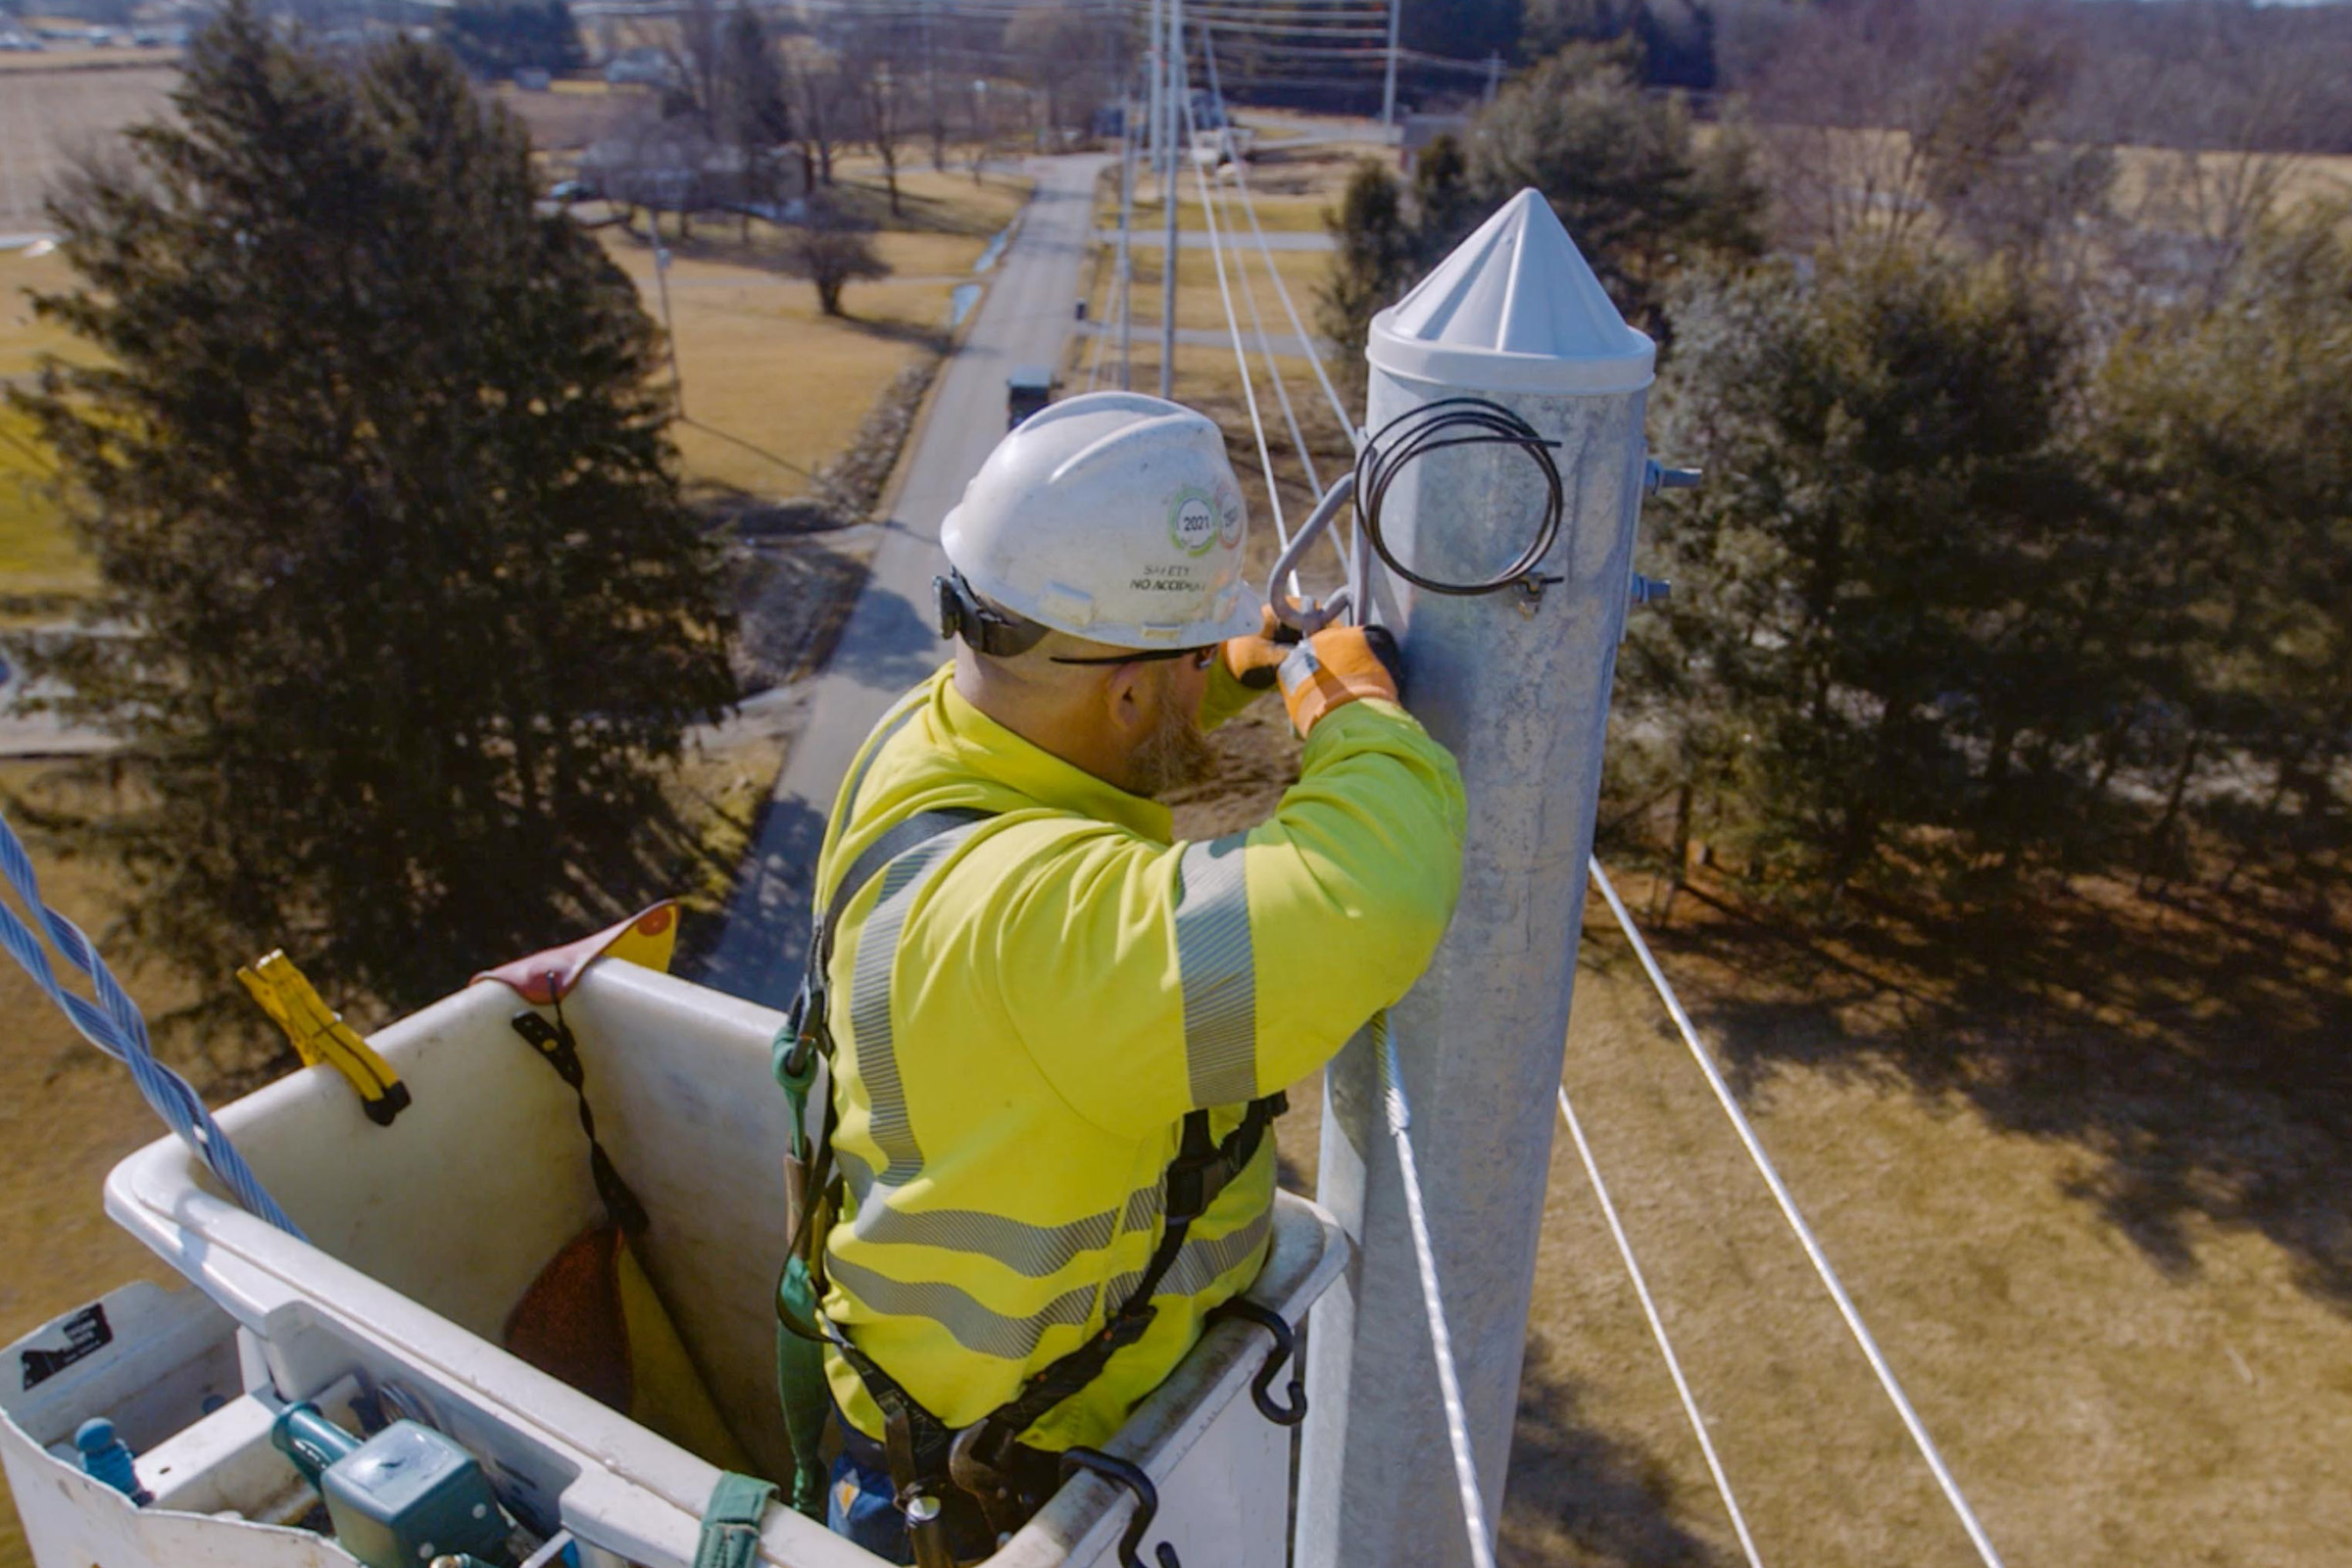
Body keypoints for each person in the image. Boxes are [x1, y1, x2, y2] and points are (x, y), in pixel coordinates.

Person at [787, 391, 1466, 1563]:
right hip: (1027, 1490)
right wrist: (1343, 702)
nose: (1216, 680)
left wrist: (1241, 660)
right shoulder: (1046, 930)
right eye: (1196, 663)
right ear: (1126, 689)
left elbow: (1127, 718)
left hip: (931, 1431)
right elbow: (1372, 888)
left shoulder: (929, 738)